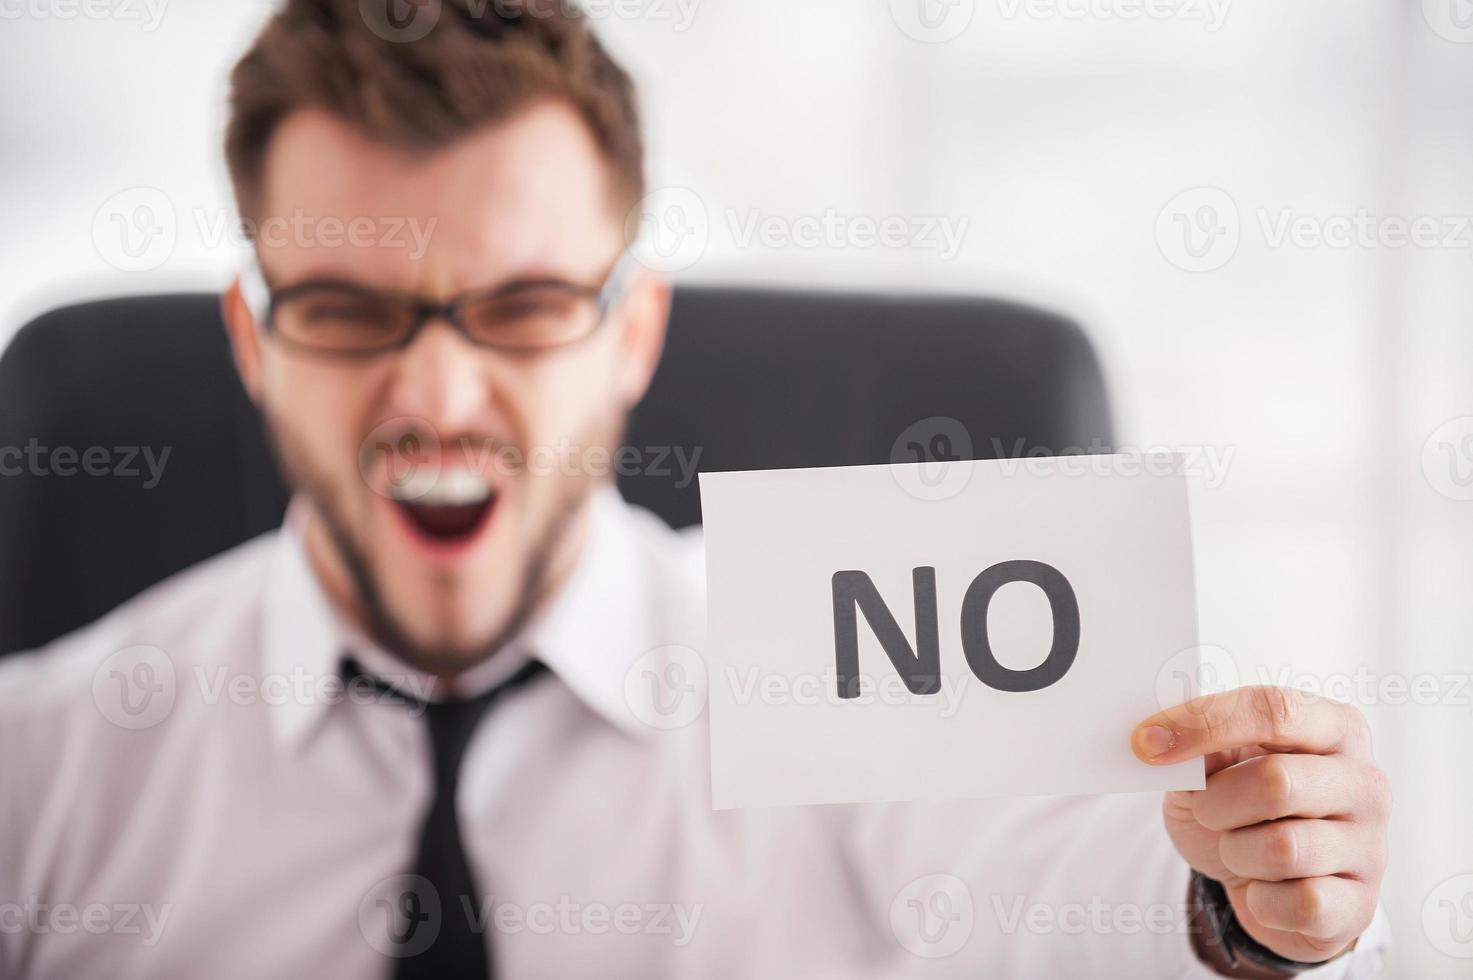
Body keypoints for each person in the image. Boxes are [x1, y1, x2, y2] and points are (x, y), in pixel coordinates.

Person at [0, 1, 1390, 977]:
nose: (434, 396)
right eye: (350, 312)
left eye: (527, 303)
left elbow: (1086, 900)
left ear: (632, 332)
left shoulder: (838, 657)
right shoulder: (47, 770)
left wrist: (1248, 897)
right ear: (254, 341)